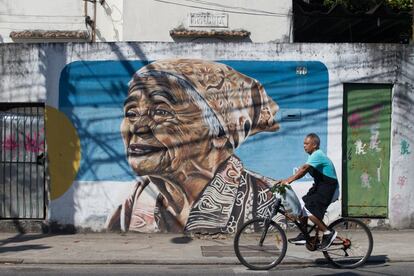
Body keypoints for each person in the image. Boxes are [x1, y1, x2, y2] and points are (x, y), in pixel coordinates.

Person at [106, 58, 281, 233]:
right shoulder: (134, 200)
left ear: (221, 133)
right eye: (132, 112)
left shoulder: (269, 200)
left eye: (161, 112)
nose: (138, 128)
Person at [280, 133, 339, 250]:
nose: (304, 146)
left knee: (307, 209)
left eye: (307, 143)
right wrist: (287, 179)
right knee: (301, 206)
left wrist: (289, 180)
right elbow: (303, 172)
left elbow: (304, 169)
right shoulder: (313, 156)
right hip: (320, 188)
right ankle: (304, 235)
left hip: (328, 189)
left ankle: (328, 232)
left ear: (315, 145)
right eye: (304, 144)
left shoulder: (317, 155)